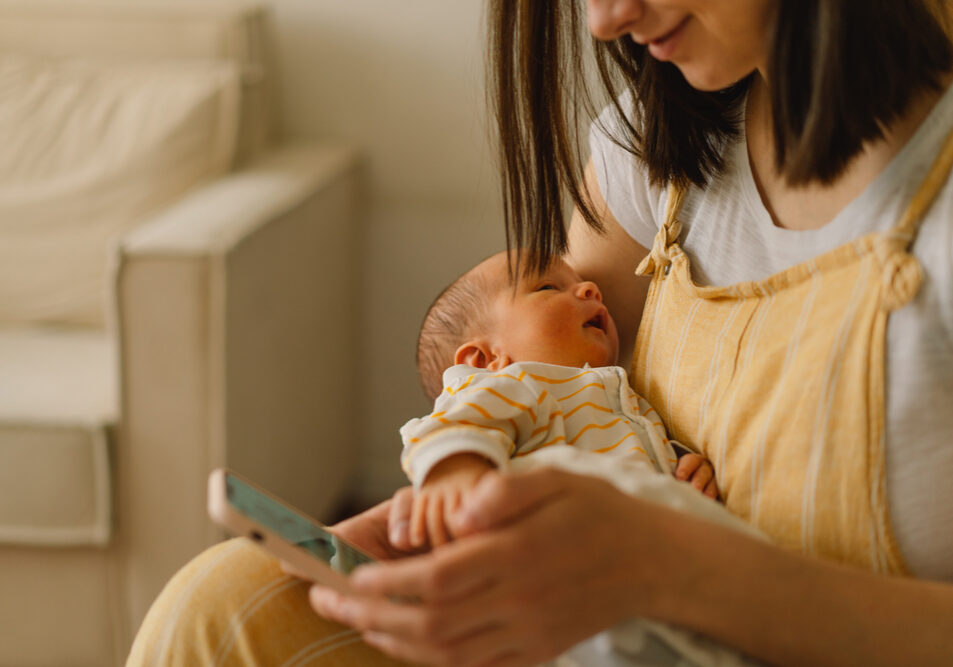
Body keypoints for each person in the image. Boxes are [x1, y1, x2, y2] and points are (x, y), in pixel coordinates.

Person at [127, 1, 953, 665]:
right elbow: (530, 374)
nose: (603, 20)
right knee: (228, 600)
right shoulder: (665, 132)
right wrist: (451, 518)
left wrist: (684, 564)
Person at [398, 249, 718, 550]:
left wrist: (683, 466)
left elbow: (642, 453)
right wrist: (454, 472)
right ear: (484, 360)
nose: (591, 289)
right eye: (548, 287)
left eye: (582, 283)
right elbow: (455, 426)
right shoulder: (513, 384)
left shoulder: (628, 397)